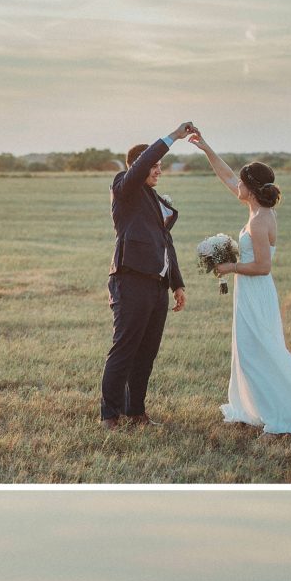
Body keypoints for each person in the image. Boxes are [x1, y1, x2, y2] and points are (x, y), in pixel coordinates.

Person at [189, 132, 291, 433]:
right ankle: (253, 408)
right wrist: (206, 148)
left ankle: (282, 414)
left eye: (242, 183)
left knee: (259, 353)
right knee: (252, 352)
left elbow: (262, 266)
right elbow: (227, 176)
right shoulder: (256, 209)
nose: (237, 186)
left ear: (252, 188)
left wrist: (228, 266)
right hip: (250, 293)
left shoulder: (258, 221)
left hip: (256, 292)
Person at [101, 121, 197, 430]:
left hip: (157, 286)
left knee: (147, 353)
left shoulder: (156, 200)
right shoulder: (124, 188)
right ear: (138, 167)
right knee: (124, 349)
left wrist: (177, 284)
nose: (158, 170)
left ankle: (136, 412)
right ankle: (110, 416)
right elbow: (141, 164)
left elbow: (166, 243)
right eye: (154, 165)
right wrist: (173, 137)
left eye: (160, 166)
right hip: (130, 281)